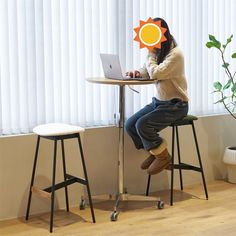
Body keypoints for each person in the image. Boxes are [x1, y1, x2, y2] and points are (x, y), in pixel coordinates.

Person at [125, 17, 188, 175]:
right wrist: (137, 72)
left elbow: (157, 73)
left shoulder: (176, 54)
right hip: (159, 102)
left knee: (142, 125)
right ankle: (156, 153)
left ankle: (163, 156)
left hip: (176, 105)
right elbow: (148, 70)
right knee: (130, 124)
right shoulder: (159, 52)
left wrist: (151, 54)